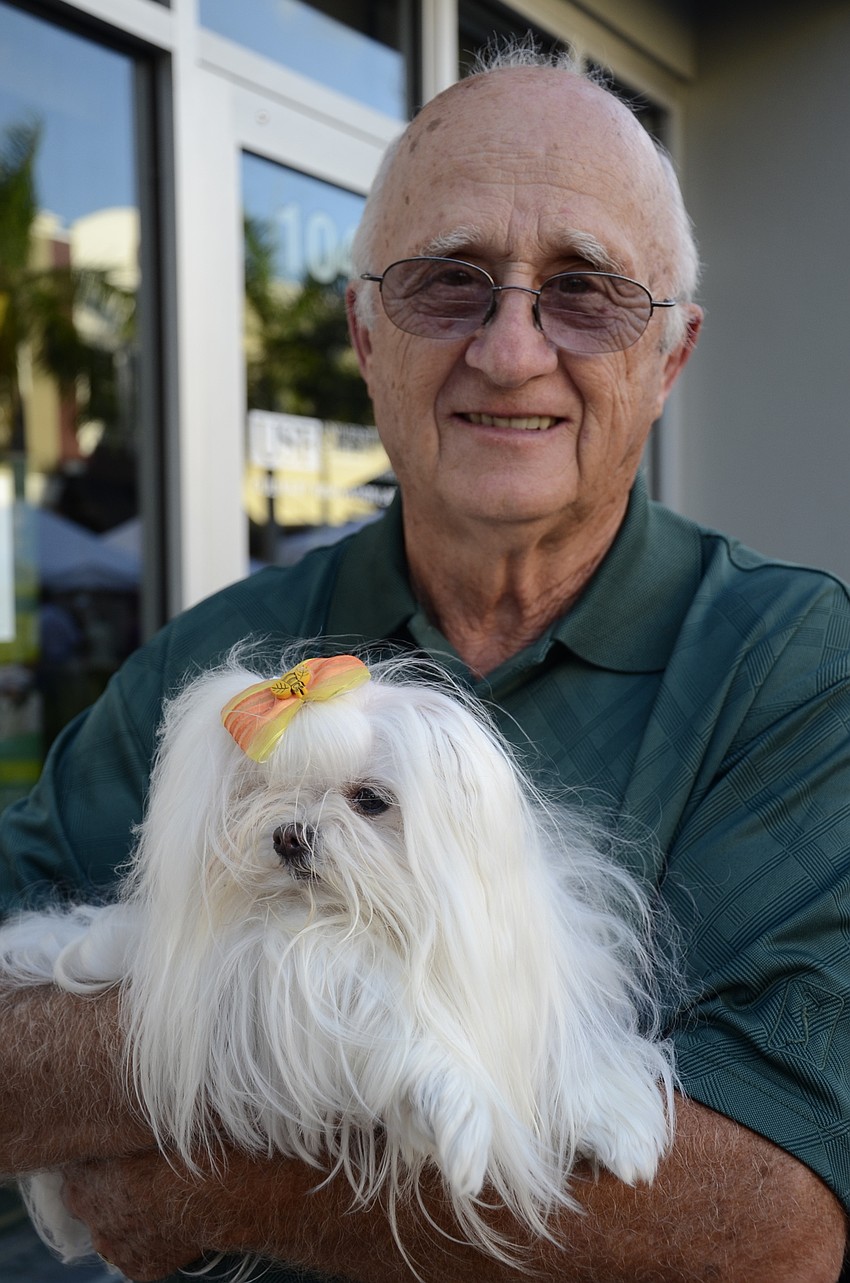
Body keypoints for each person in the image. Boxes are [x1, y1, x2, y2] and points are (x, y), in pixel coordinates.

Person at [2, 43, 849, 1283]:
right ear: (361, 331)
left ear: (669, 356)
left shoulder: (801, 671)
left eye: (585, 291)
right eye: (448, 284)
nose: (510, 351)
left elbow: (773, 1220)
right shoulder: (207, 660)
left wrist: (201, 1158)